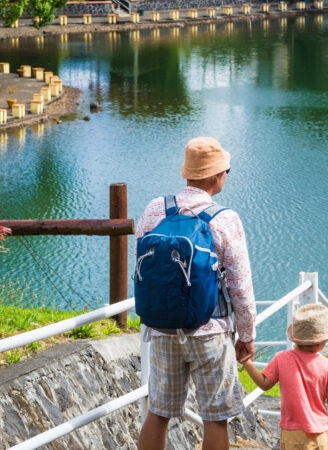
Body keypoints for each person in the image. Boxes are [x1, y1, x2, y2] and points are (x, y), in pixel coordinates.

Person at [136, 136, 257, 450]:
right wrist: (247, 333)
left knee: (158, 412)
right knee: (215, 418)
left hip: (162, 328)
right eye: (225, 171)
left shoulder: (154, 209)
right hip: (211, 331)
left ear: (187, 172)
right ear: (217, 176)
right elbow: (240, 286)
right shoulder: (225, 219)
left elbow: (142, 268)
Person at [242, 303, 328, 450]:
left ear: (295, 338)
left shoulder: (281, 359)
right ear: (320, 344)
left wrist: (247, 363)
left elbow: (264, 384)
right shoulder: (325, 364)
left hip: (291, 432)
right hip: (319, 432)